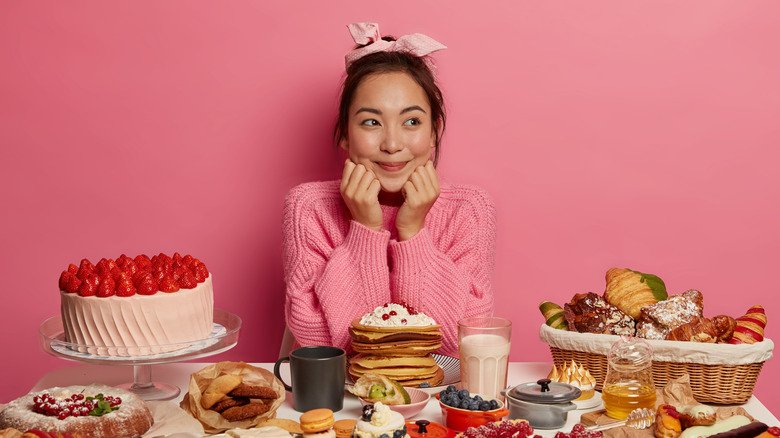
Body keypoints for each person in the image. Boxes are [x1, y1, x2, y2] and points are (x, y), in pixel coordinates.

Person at [282, 23, 496, 357]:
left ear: (434, 132)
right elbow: (323, 347)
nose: (393, 144)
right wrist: (365, 230)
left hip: (436, 402)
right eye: (371, 122)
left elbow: (463, 344)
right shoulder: (309, 207)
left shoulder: (467, 209)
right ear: (344, 134)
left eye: (411, 121)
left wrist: (413, 233)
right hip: (343, 404)